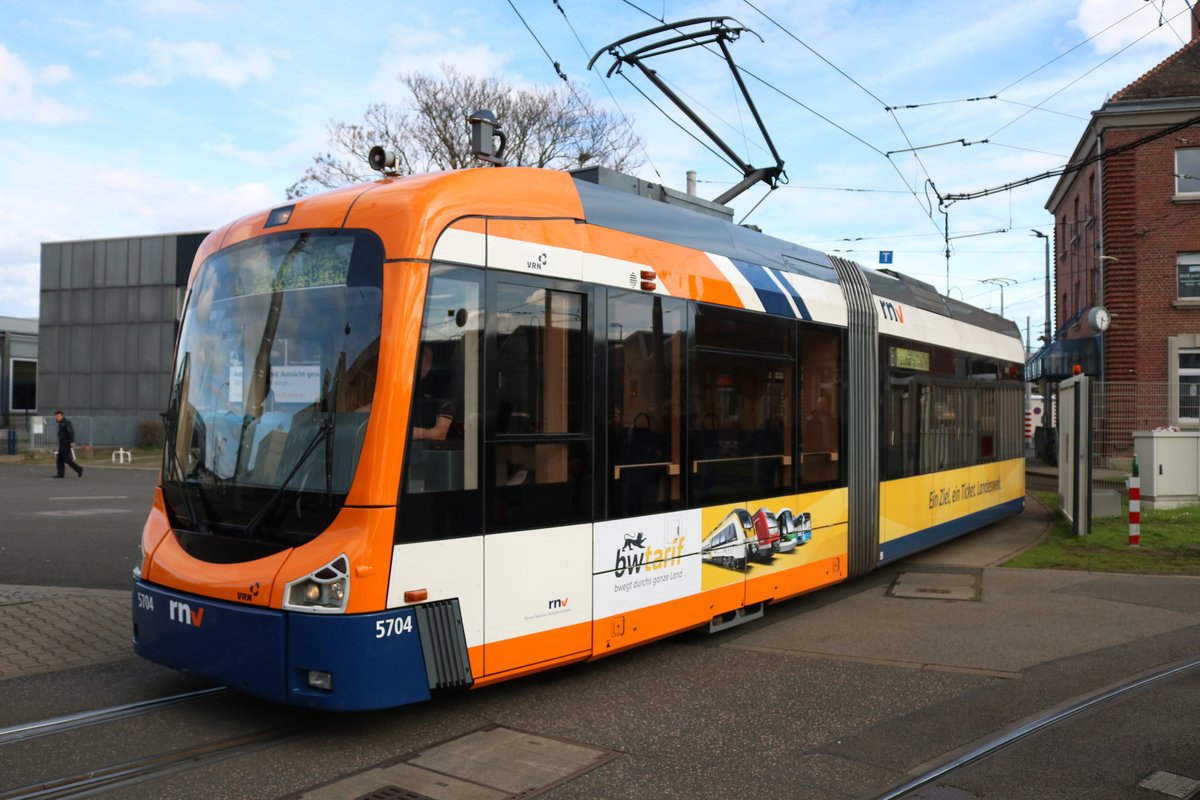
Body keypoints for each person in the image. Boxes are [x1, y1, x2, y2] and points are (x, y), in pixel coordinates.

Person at [411, 345, 456, 442]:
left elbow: (440, 434)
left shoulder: (444, 384)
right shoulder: (405, 382)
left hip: (436, 452)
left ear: (429, 354)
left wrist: (415, 433)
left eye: (417, 353)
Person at [53, 410, 83, 478]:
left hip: (66, 444)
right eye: (56, 416)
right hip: (62, 444)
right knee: (59, 459)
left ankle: (78, 469)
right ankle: (60, 474)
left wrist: (72, 441)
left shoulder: (66, 423)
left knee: (66, 459)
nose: (57, 417)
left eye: (58, 416)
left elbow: (71, 432)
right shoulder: (60, 423)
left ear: (62, 416)